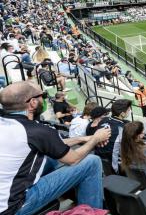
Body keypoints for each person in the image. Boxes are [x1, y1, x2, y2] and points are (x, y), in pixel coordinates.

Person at [0, 82, 111, 215]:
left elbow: (50, 144)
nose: (45, 99)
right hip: (14, 207)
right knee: (91, 162)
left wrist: (83, 139)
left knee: (51, 160)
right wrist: (96, 138)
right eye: (43, 95)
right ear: (33, 102)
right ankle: (91, 212)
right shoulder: (38, 131)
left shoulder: (11, 125)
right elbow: (73, 159)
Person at [93, 98, 132, 173]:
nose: (130, 111)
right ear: (122, 113)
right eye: (129, 110)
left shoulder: (103, 120)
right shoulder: (123, 128)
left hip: (100, 162)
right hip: (114, 166)